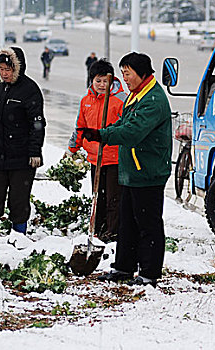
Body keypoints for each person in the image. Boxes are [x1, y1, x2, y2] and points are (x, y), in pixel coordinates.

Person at [80, 52, 172, 287]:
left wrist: (104, 135)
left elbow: (133, 131)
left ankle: (149, 272)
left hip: (147, 171)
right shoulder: (136, 95)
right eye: (122, 73)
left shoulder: (153, 99)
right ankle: (124, 267)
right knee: (127, 223)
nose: (124, 78)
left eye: (127, 73)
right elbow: (123, 122)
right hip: (131, 170)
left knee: (147, 224)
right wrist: (104, 132)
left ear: (142, 74)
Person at [0, 47, 46, 238]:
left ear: (17, 68)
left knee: (18, 201)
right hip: (0, 155)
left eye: (8, 69)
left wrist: (35, 152)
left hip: (22, 158)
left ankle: (19, 238)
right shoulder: (0, 87)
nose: (4, 73)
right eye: (0, 69)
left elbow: (38, 124)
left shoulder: (30, 90)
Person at [65, 59, 127, 243]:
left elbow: (127, 128)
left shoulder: (120, 100)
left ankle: (113, 233)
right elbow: (80, 127)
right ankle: (98, 230)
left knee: (113, 199)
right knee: (98, 196)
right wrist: (72, 149)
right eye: (97, 81)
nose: (101, 85)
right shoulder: (86, 101)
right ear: (91, 80)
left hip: (115, 158)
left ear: (112, 80)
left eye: (105, 81)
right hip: (95, 158)